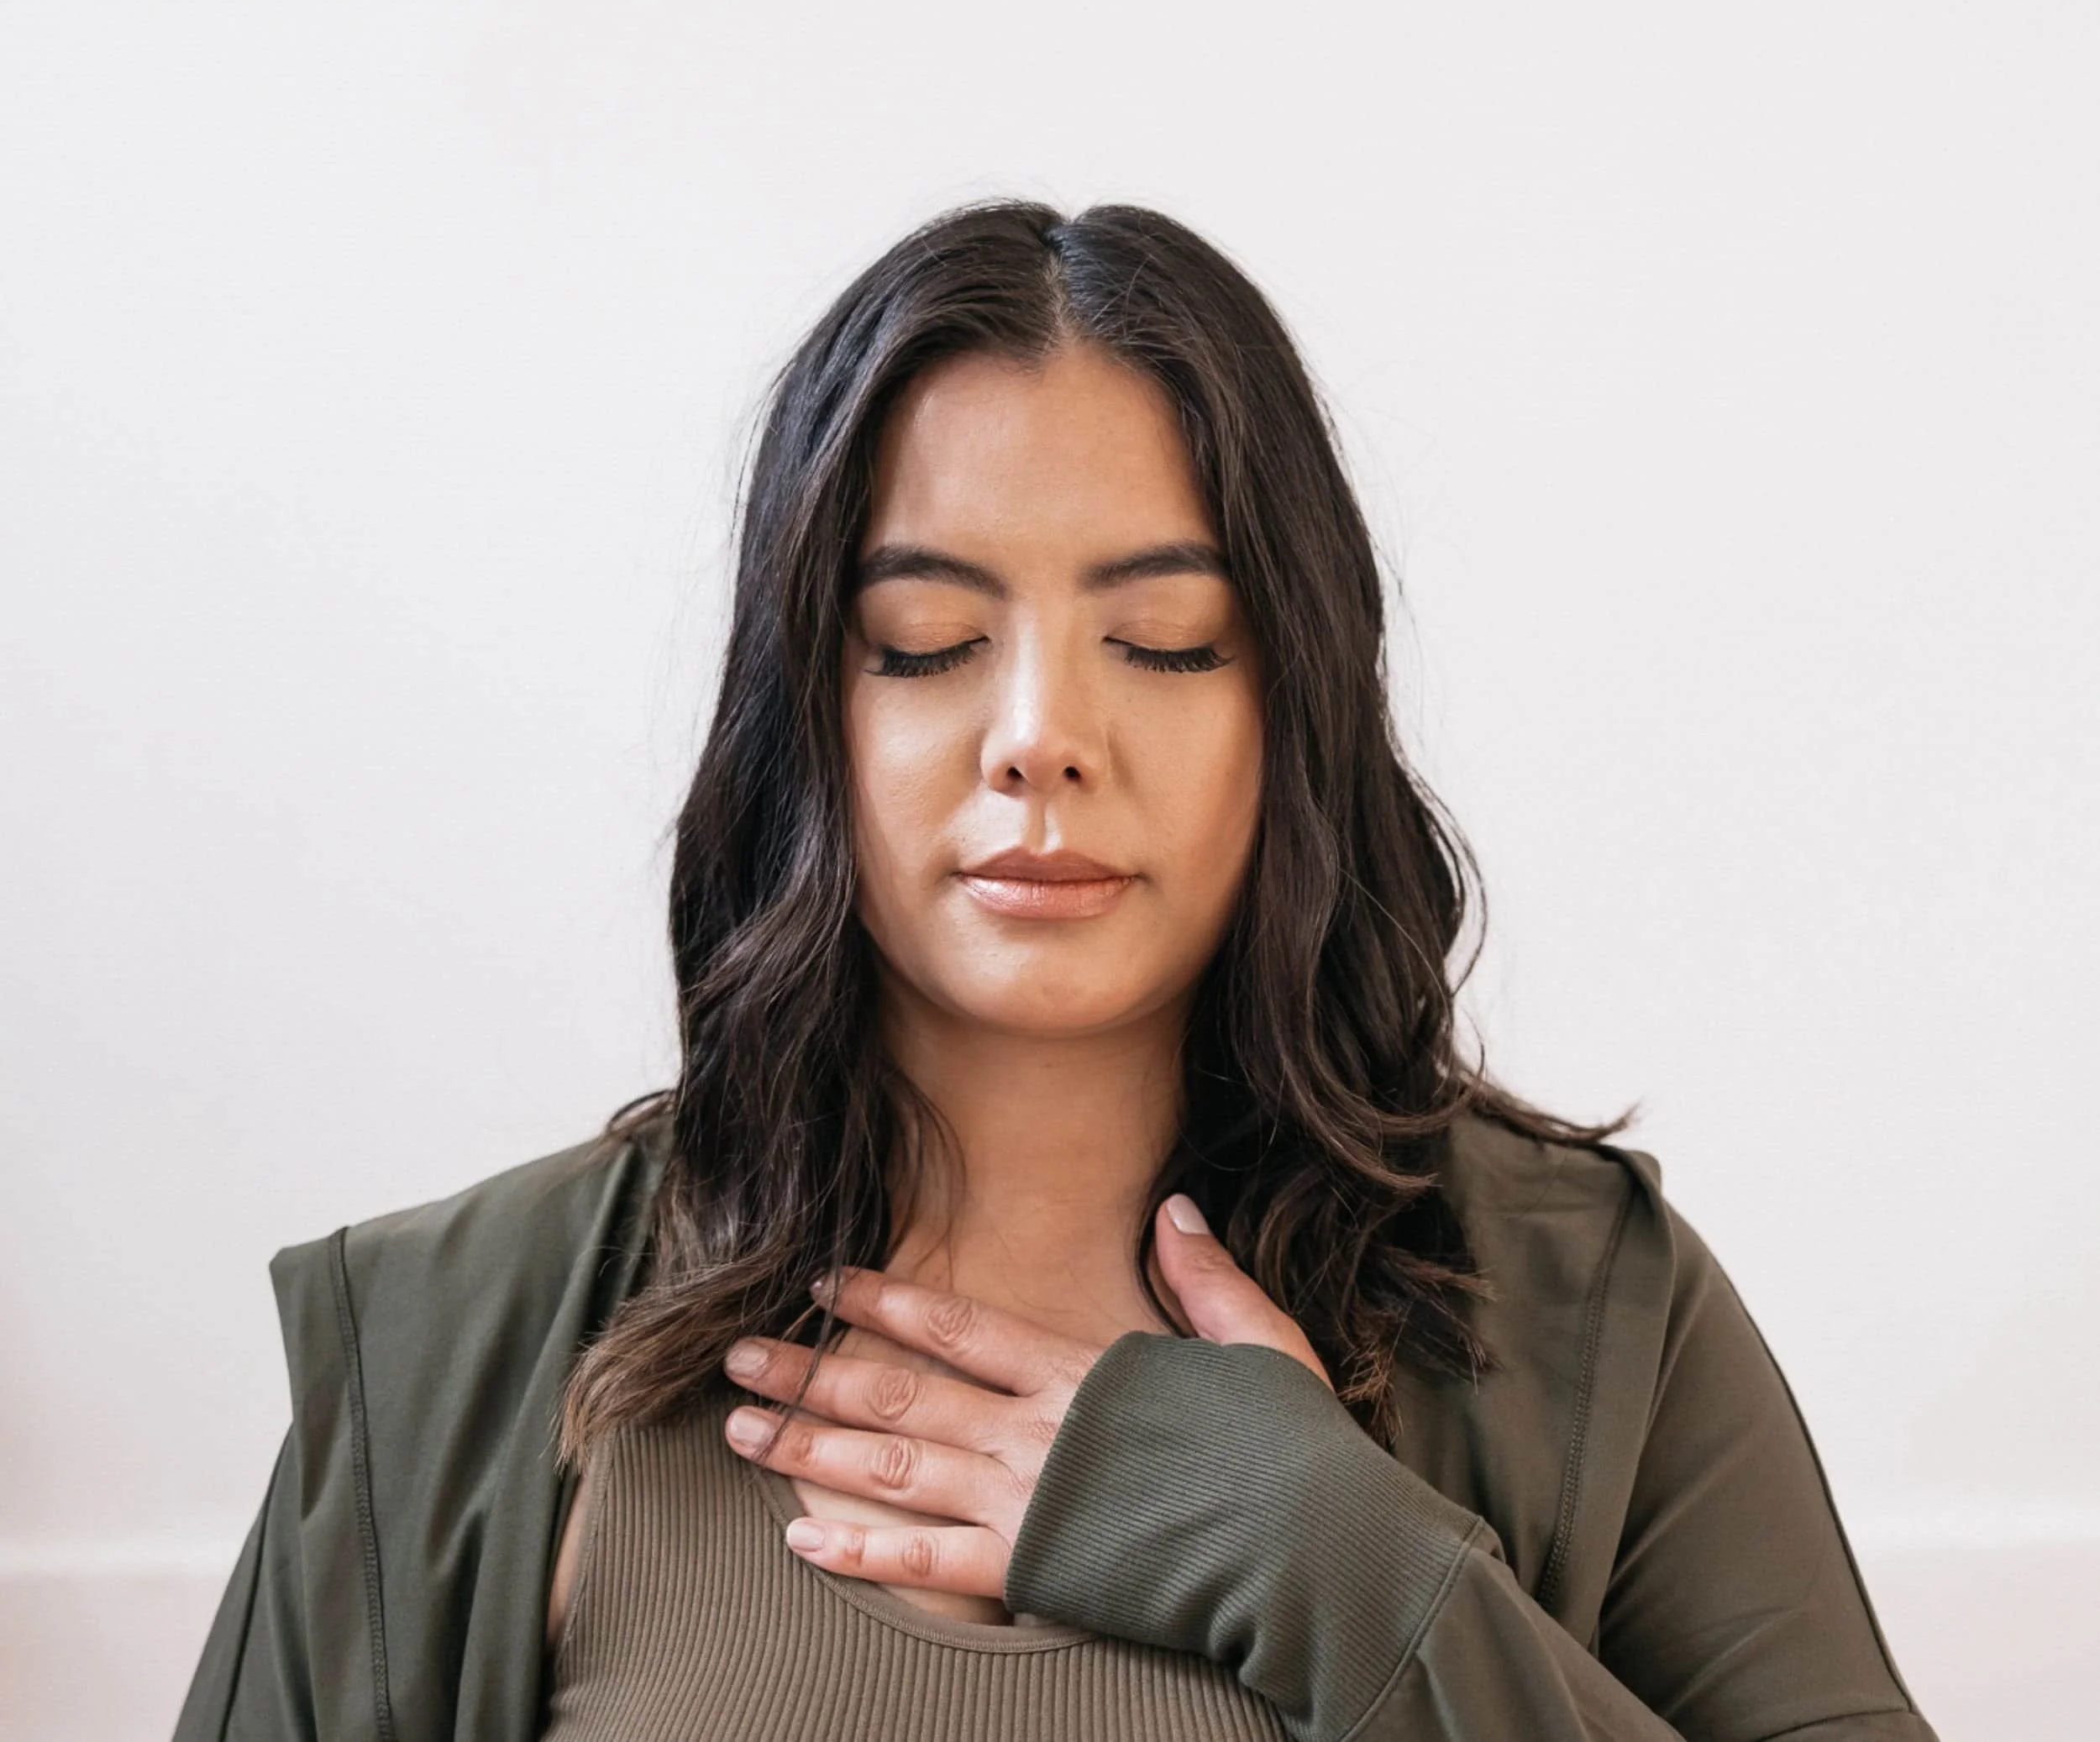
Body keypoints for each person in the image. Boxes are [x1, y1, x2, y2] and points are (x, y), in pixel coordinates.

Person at [175, 202, 1936, 1742]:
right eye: (925, 640)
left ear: (1294, 704)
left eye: (1163, 641)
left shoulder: (1589, 1307)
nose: (1039, 734)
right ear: (805, 710)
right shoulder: (452, 1349)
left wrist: (1343, 1566)